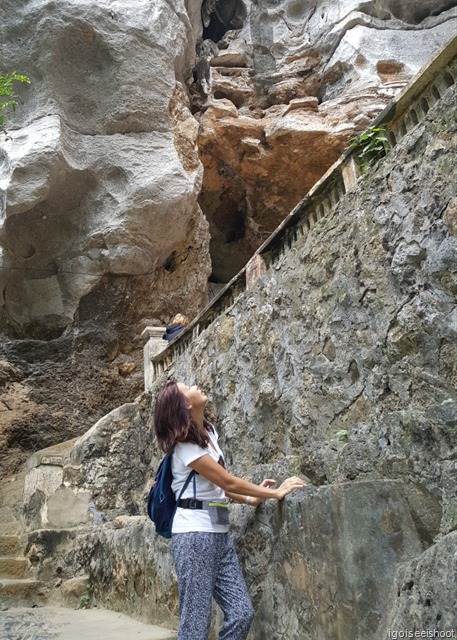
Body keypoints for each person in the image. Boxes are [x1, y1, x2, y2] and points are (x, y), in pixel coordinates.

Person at [153, 380, 306, 640]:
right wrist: (275, 493)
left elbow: (219, 489)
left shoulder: (209, 435)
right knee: (195, 627)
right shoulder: (186, 447)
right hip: (194, 537)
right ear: (185, 404)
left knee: (241, 613)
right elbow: (227, 481)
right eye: (187, 386)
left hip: (219, 535)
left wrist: (251, 499)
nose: (196, 384)